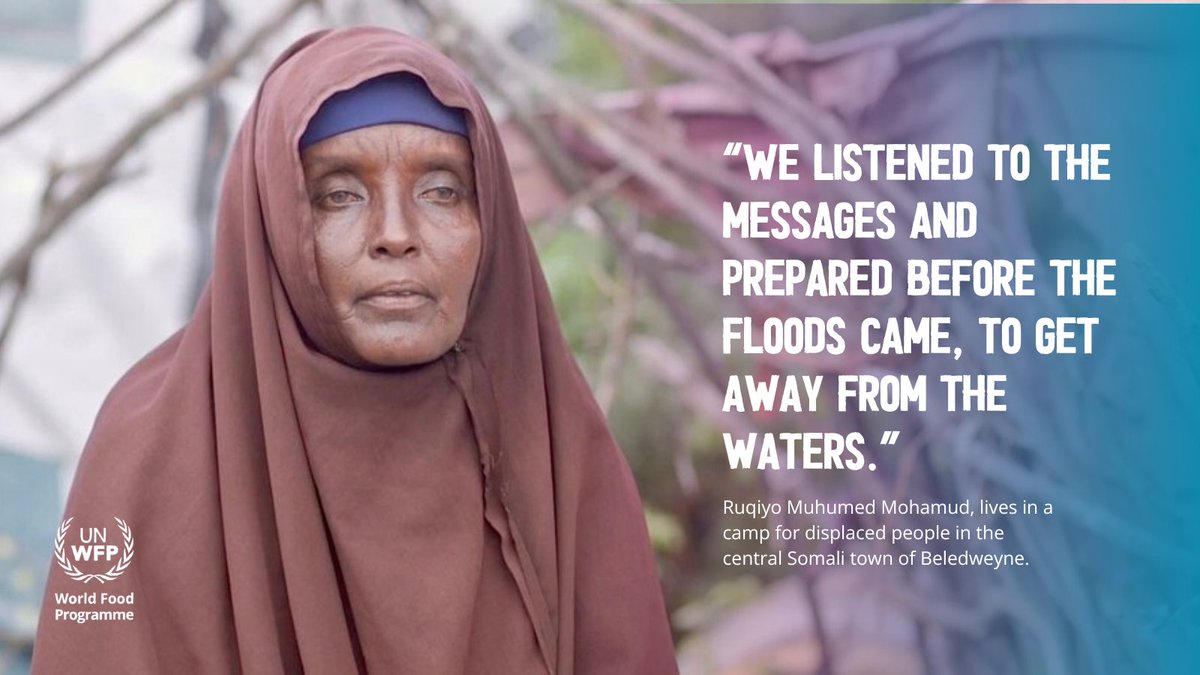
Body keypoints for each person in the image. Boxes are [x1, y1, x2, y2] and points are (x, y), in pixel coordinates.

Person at [31, 26, 678, 674]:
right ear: (276, 224)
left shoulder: (555, 451)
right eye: (339, 193)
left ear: (491, 220)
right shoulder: (149, 457)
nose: (395, 234)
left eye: (442, 190)